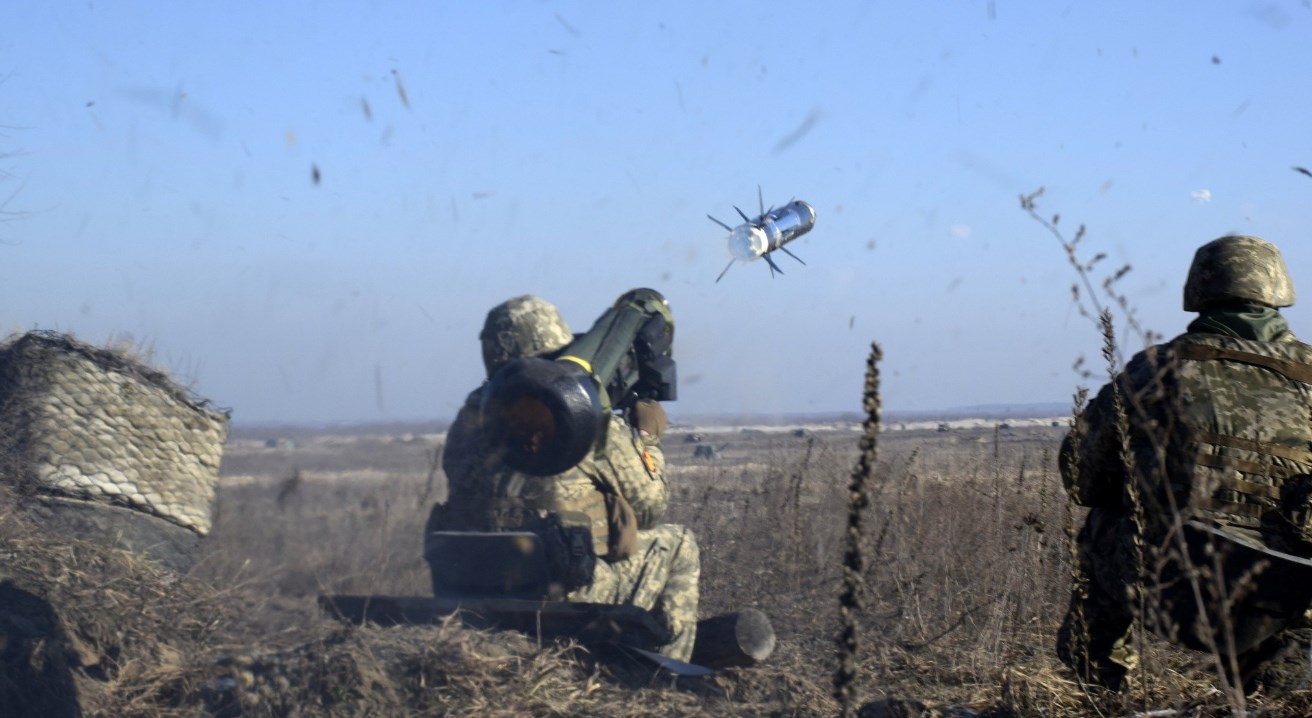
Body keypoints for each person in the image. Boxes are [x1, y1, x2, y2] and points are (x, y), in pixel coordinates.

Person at [1058, 235, 1312, 695]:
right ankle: (1279, 694)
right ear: (1279, 290)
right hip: (1279, 591)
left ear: (1199, 288)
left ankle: (1098, 683)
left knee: (1104, 522)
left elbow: (1080, 476)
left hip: (1168, 578)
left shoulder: (1154, 368)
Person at [430, 295, 700, 661]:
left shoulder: (467, 420)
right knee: (680, 544)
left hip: (471, 591)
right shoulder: (576, 413)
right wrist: (647, 439)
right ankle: (665, 680)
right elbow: (651, 506)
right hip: (562, 594)